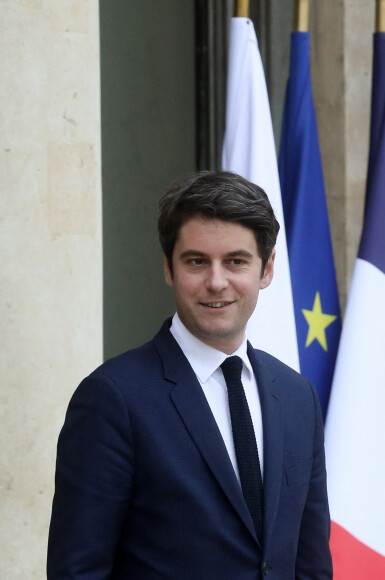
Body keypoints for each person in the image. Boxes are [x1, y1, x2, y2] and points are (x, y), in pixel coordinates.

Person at [47, 171, 332, 579]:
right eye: (197, 261)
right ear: (168, 268)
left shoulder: (297, 396)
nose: (216, 282)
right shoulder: (113, 399)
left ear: (266, 269)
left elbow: (310, 565)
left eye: (236, 261)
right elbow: (78, 571)